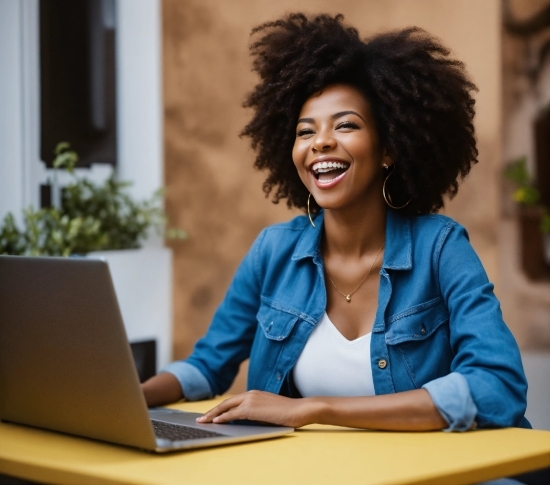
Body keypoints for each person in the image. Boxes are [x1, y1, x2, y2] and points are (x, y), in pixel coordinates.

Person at [142, 13, 529, 434]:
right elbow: (207, 366)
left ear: (389, 150)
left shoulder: (441, 248)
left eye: (346, 125)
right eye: (305, 131)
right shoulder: (273, 251)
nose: (320, 142)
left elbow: (497, 386)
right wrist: (129, 396)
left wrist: (315, 409)